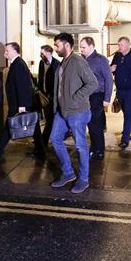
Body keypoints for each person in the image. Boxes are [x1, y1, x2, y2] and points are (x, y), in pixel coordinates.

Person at [49, 33, 98, 193]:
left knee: (80, 146)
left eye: (57, 45)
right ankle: (68, 173)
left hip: (77, 111)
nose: (55, 48)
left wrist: (75, 98)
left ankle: (83, 179)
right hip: (62, 110)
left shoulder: (78, 61)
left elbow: (93, 83)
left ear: (67, 45)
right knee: (55, 138)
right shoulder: (62, 63)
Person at [0, 42, 44, 159]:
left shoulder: (18, 64)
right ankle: (41, 152)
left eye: (7, 51)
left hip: (18, 105)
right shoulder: (17, 63)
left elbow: (23, 86)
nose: (5, 53)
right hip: (19, 104)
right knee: (33, 128)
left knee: (10, 127)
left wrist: (22, 105)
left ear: (14, 51)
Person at [79, 36, 113, 161]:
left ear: (91, 46)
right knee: (89, 123)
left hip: (98, 95)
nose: (81, 49)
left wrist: (107, 98)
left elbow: (109, 79)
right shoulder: (81, 59)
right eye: (80, 47)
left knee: (95, 124)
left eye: (83, 47)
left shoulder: (101, 60)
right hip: (85, 96)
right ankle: (93, 148)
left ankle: (99, 151)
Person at [35, 44, 60, 158]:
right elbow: (41, 78)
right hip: (43, 96)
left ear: (49, 52)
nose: (41, 55)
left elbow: (57, 82)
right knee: (48, 119)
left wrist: (51, 95)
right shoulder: (41, 63)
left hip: (52, 97)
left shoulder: (56, 64)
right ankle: (43, 141)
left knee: (50, 120)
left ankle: (43, 142)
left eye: (42, 53)